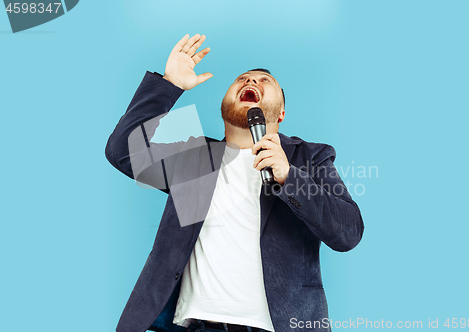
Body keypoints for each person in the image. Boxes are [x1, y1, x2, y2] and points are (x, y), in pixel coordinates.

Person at [105, 34, 364, 332]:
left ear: (280, 114)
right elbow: (122, 150)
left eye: (264, 81)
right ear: (224, 104)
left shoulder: (310, 157)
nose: (251, 82)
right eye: (242, 79)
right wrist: (169, 84)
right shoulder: (193, 156)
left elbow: (348, 232)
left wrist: (290, 177)